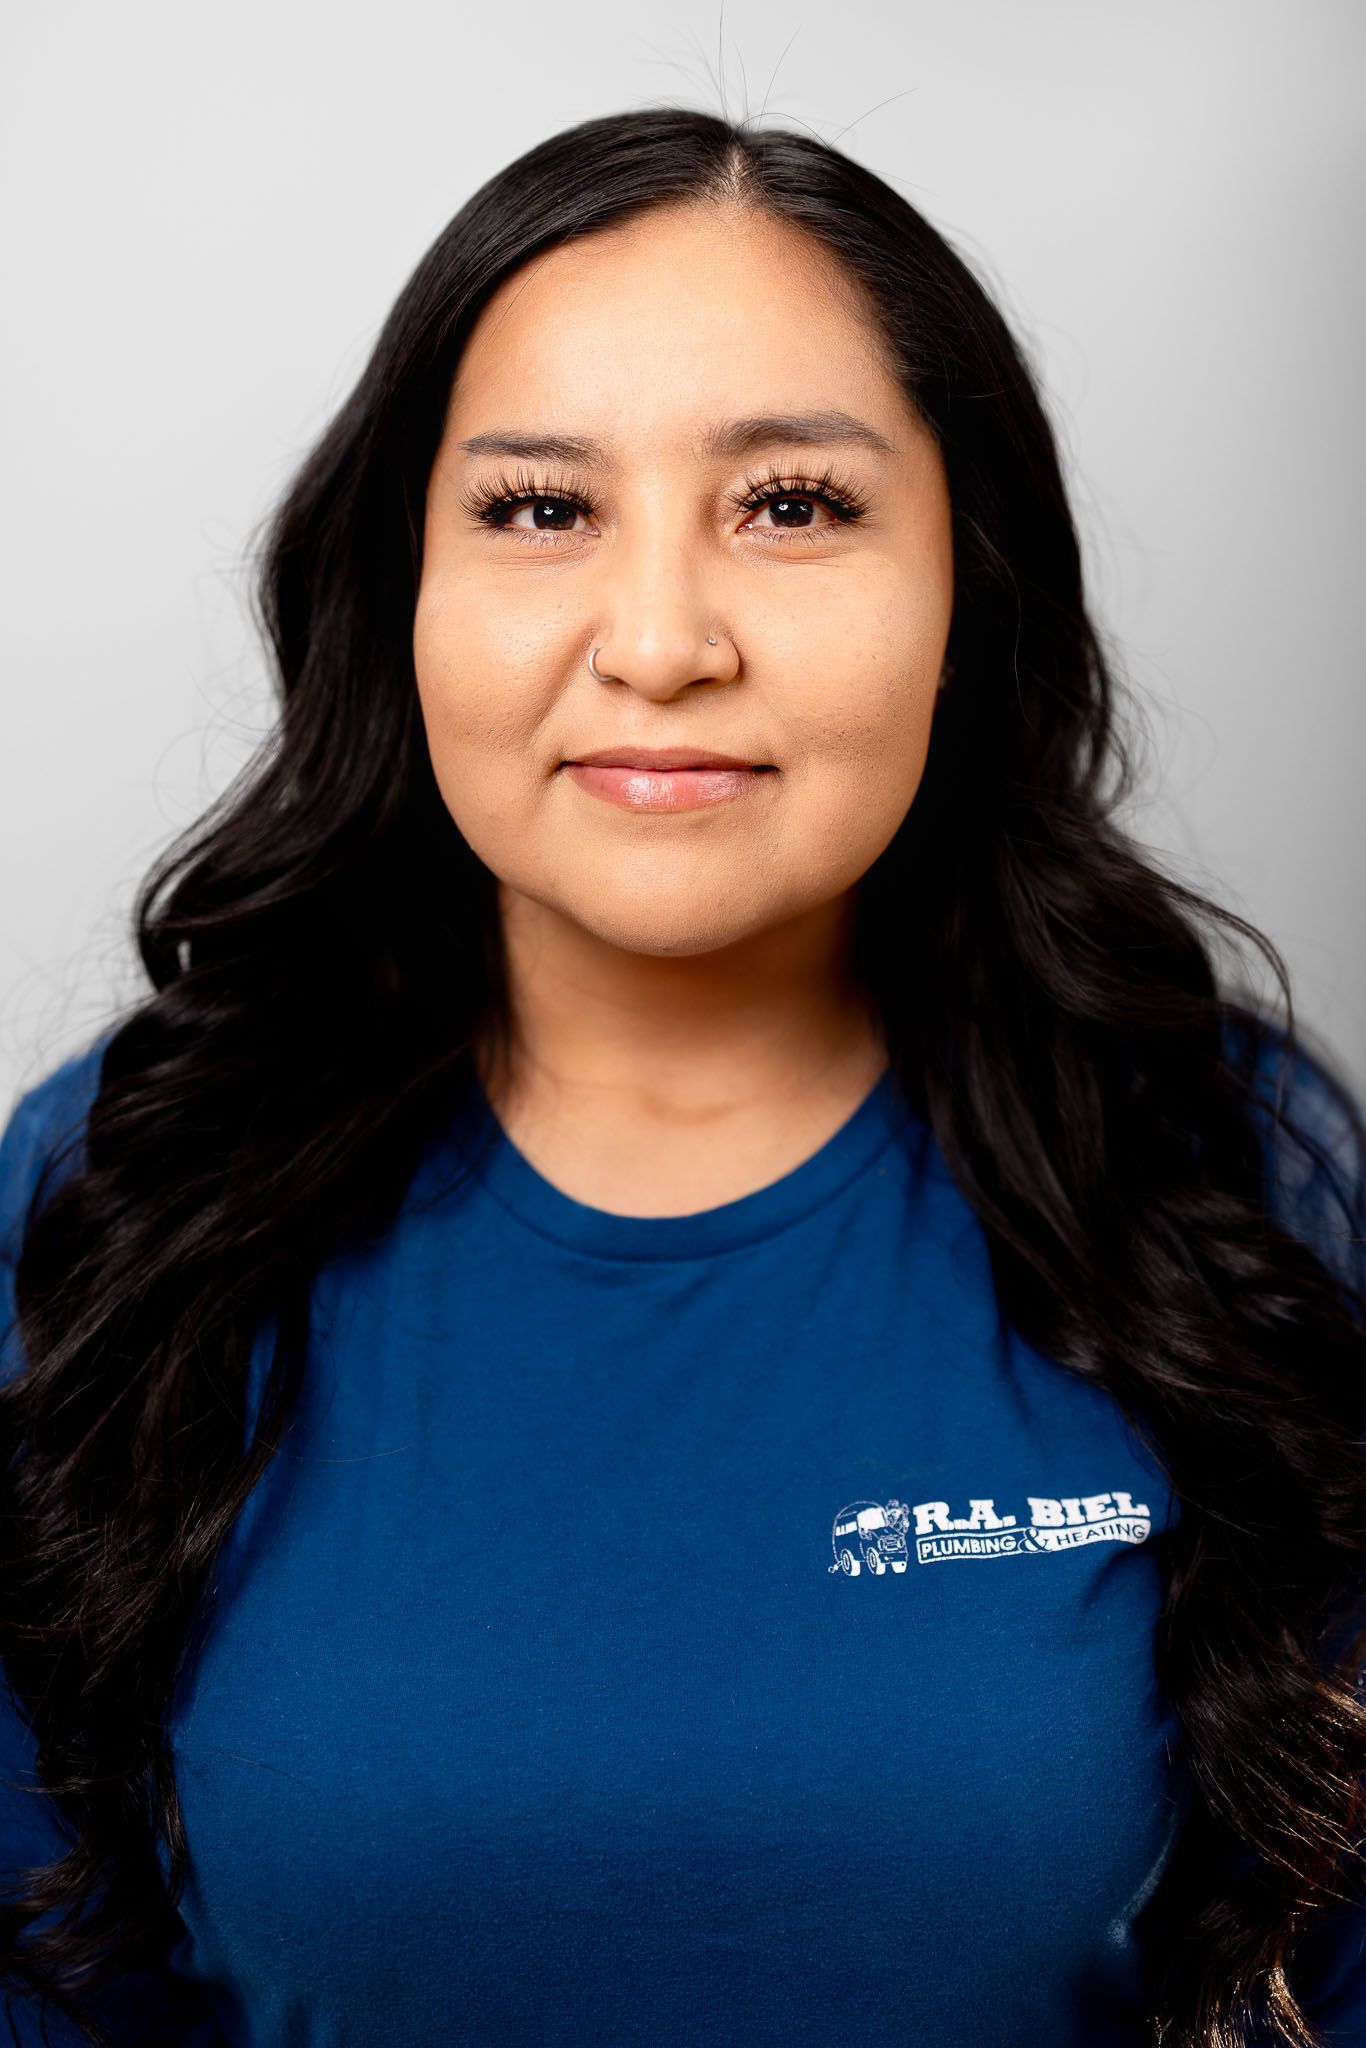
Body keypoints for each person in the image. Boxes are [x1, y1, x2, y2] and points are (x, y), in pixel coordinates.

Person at [1, 103, 1364, 2048]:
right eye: (540, 509)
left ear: (966, 588)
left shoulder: (1218, 1165)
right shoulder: (107, 1197)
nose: (656, 641)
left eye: (791, 504)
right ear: (397, 594)